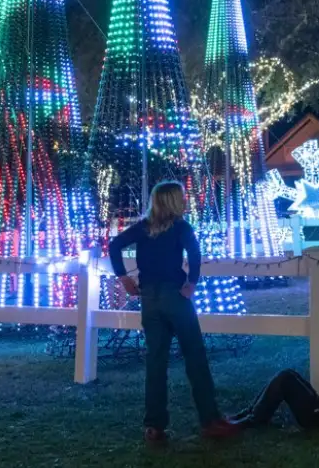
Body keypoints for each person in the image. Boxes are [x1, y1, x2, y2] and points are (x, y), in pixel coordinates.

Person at [108, 180, 239, 443]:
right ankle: (210, 419)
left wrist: (124, 278)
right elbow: (195, 253)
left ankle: (154, 426)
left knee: (155, 361)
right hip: (174, 296)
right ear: (173, 201)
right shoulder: (181, 227)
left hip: (149, 298)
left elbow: (114, 246)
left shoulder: (143, 228)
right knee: (195, 356)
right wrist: (192, 282)